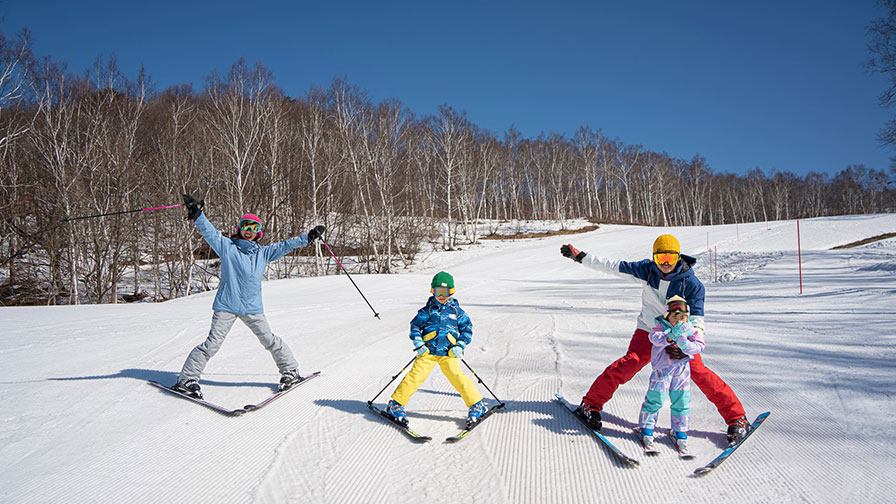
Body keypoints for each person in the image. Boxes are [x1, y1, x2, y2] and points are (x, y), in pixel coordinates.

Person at [560, 234, 752, 446]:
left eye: (670, 258)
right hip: (649, 330)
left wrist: (688, 347)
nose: (666, 264)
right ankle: (590, 405)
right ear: (654, 258)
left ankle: (737, 418)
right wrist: (582, 258)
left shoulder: (692, 285)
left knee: (698, 371)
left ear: (679, 257)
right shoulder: (647, 270)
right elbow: (614, 266)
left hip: (680, 336)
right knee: (629, 363)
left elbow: (697, 320)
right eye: (661, 259)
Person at [171, 194, 326, 399]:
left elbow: (286, 245)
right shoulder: (228, 248)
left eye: (254, 228)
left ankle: (290, 371)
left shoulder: (264, 253)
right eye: (245, 226)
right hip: (227, 305)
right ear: (240, 229)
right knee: (212, 344)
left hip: (252, 307)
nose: (249, 232)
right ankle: (187, 379)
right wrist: (198, 215)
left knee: (269, 340)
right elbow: (211, 234)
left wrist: (307, 237)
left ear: (258, 232)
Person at [385, 271, 487, 427]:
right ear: (432, 291)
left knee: (458, 378)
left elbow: (467, 328)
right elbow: (415, 327)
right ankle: (396, 404)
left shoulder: (457, 312)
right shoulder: (427, 311)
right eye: (437, 291)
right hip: (427, 352)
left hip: (449, 352)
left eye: (445, 292)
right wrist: (419, 343)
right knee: (415, 377)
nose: (441, 295)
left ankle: (476, 404)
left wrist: (460, 345)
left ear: (451, 292)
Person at [638, 295, 705, 454]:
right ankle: (647, 427)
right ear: (668, 315)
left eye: (683, 316)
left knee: (681, 400)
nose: (679, 320)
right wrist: (670, 336)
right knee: (656, 398)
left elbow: (700, 345)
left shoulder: (689, 328)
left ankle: (679, 430)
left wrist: (686, 345)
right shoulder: (661, 326)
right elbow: (654, 338)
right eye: (675, 316)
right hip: (663, 370)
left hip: (681, 371)